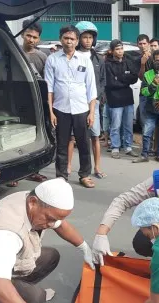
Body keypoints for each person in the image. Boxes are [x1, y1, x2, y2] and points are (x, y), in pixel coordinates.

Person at [45, 25, 98, 189]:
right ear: (61, 39)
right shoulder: (52, 59)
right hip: (61, 110)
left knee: (83, 143)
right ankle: (61, 176)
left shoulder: (84, 60)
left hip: (82, 109)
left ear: (77, 41)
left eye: (72, 39)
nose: (69, 41)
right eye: (66, 38)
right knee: (61, 144)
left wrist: (92, 113)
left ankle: (85, 174)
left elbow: (91, 88)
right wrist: (51, 112)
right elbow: (49, 88)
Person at [7, 20, 49, 187]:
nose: (31, 39)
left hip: (37, 104)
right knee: (15, 138)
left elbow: (47, 81)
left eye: (35, 37)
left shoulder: (42, 57)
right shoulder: (14, 53)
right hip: (16, 102)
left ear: (39, 39)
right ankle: (13, 174)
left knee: (35, 138)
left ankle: (33, 171)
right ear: (23, 35)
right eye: (28, 35)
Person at [74, 21, 107, 179]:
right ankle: (67, 167)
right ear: (78, 38)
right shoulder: (73, 56)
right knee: (74, 137)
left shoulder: (98, 58)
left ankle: (97, 167)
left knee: (95, 136)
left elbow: (102, 81)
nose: (87, 40)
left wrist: (96, 99)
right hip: (76, 103)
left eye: (90, 37)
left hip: (94, 103)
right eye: (84, 37)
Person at [105, 39, 139, 159]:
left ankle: (128, 147)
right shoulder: (108, 64)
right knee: (115, 125)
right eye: (117, 49)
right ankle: (115, 147)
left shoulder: (127, 61)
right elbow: (110, 83)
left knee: (128, 125)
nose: (120, 51)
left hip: (128, 98)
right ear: (112, 51)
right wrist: (125, 78)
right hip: (114, 99)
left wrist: (120, 78)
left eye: (121, 48)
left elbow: (134, 78)